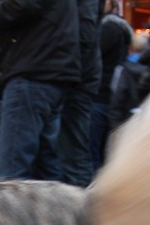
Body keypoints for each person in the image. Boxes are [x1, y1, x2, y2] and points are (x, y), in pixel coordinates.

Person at [0, 0, 78, 180]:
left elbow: (21, 4)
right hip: (51, 71)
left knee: (12, 173)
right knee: (44, 169)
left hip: (32, 72)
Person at [57, 0, 101, 187]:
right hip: (73, 75)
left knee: (73, 152)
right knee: (71, 151)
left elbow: (85, 34)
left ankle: (83, 209)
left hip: (76, 78)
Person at [88, 0, 131, 172]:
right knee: (104, 152)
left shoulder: (107, 29)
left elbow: (95, 57)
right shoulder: (121, 30)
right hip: (112, 95)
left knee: (93, 151)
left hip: (99, 94)